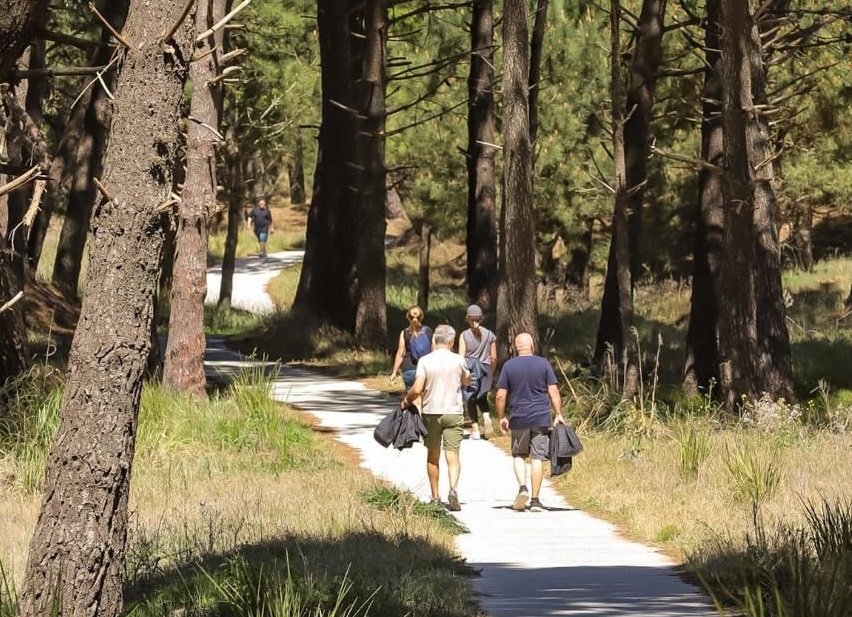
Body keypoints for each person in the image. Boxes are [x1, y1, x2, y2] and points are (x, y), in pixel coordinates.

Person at [400, 324, 471, 511]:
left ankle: (435, 497)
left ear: (434, 341)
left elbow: (417, 389)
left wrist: (406, 402)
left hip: (431, 412)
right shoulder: (458, 360)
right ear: (451, 341)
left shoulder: (425, 361)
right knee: (453, 455)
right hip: (453, 412)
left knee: (433, 454)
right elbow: (467, 381)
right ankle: (453, 490)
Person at [495, 332, 565, 512]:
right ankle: (535, 500)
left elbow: (501, 395)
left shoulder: (509, 366)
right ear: (532, 345)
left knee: (519, 454)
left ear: (515, 348)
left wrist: (501, 416)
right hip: (541, 417)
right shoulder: (543, 364)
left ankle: (522, 488)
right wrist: (558, 414)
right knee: (537, 457)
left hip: (519, 418)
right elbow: (554, 392)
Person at [458, 304, 497, 440]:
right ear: (481, 319)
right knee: (482, 396)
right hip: (486, 368)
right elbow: (493, 357)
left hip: (470, 368)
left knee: (470, 398)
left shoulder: (464, 335)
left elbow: (461, 356)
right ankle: (486, 416)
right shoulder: (490, 335)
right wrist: (491, 374)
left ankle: (475, 429)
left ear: (468, 319)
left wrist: (462, 374)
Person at [389, 305, 433, 391]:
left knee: (411, 397)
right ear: (422, 317)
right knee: (424, 398)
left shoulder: (404, 333)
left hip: (409, 370)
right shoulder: (428, 331)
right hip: (426, 369)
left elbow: (400, 353)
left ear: (408, 317)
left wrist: (394, 372)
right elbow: (435, 350)